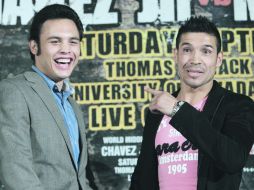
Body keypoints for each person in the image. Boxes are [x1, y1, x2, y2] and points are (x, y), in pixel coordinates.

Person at [130, 16, 254, 190]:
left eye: (206, 51)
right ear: (176, 55)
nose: (195, 60)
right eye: (187, 50)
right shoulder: (159, 110)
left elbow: (233, 159)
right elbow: (142, 177)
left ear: (219, 59)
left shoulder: (238, 106)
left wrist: (176, 110)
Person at [0, 4, 97, 190]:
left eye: (73, 42)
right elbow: (16, 174)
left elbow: (78, 178)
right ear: (34, 46)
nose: (66, 49)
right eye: (55, 41)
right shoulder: (14, 92)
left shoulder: (70, 103)